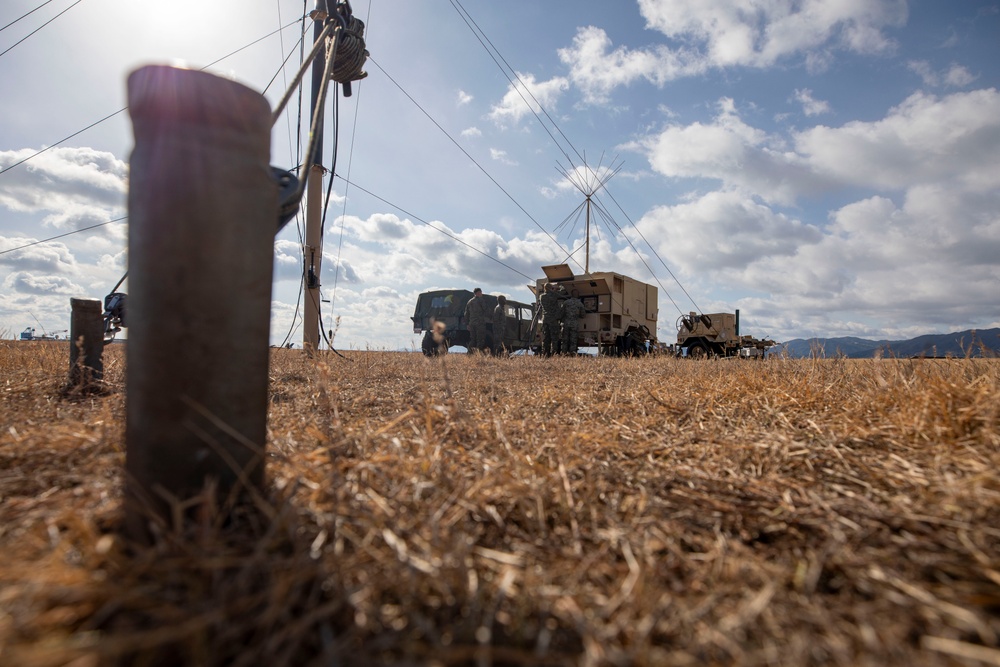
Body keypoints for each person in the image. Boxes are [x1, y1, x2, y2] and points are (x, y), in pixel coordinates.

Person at [539, 282, 563, 357]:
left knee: (546, 337)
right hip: (553, 319)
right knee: (554, 338)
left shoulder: (541, 296)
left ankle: (545, 354)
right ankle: (554, 353)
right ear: (550, 288)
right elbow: (562, 291)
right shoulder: (554, 295)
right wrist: (558, 286)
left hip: (545, 319)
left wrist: (552, 288)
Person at [464, 287, 489, 353]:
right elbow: (485, 309)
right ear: (478, 293)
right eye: (481, 292)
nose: (481, 294)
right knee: (480, 340)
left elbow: (466, 314)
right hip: (479, 323)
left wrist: (467, 324)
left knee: (473, 340)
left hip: (471, 324)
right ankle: (477, 354)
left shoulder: (469, 302)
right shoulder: (480, 300)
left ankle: (469, 353)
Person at [561, 289, 584, 355]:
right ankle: (572, 354)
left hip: (566, 323)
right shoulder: (580, 304)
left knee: (565, 340)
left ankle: (564, 353)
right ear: (578, 295)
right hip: (574, 324)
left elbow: (561, 313)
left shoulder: (565, 302)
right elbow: (583, 315)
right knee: (573, 340)